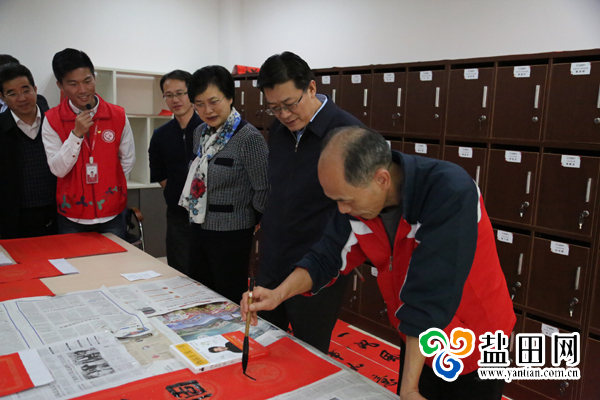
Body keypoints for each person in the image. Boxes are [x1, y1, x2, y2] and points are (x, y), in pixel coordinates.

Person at [242, 126, 516, 400]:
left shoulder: (449, 192)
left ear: (381, 179)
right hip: (418, 333)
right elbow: (325, 257)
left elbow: (429, 295)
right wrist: (278, 294)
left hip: (475, 337)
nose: (342, 210)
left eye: (345, 200)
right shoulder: (360, 200)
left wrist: (409, 389)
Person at [254, 51, 363, 354]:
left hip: (317, 262)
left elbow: (355, 213)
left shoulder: (348, 134)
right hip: (274, 258)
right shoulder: (279, 130)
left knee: (309, 351)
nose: (284, 114)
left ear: (311, 88)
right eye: (274, 107)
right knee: (266, 344)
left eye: (290, 104)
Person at [179, 65, 268, 303]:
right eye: (199, 104)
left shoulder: (249, 138)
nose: (207, 110)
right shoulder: (199, 132)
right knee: (200, 292)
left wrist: (250, 218)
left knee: (227, 295)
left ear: (229, 97)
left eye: (214, 101)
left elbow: (263, 188)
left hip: (232, 232)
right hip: (198, 225)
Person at [42, 49, 135, 239]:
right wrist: (76, 135)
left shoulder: (117, 115)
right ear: (60, 85)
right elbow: (58, 169)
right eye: (73, 84)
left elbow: (128, 159)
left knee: (115, 258)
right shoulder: (52, 119)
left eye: (87, 81)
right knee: (76, 259)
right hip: (72, 215)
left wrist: (109, 186)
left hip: (112, 212)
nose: (83, 90)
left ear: (94, 77)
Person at [149, 70, 202, 275]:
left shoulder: (208, 129)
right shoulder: (161, 135)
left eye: (180, 93)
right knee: (180, 271)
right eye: (169, 95)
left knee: (206, 271)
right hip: (177, 214)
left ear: (192, 93)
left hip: (208, 214)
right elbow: (159, 173)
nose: (175, 100)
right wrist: (178, 191)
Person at [0, 62, 57, 239]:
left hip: (57, 214)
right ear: (2, 97)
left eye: (26, 90)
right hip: (13, 219)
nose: (22, 98)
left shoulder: (55, 122)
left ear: (35, 89)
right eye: (12, 93)